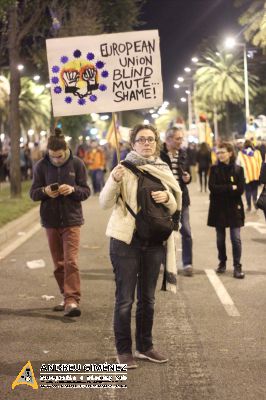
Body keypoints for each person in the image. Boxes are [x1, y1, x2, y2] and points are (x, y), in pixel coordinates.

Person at [99, 124, 182, 368]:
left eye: (150, 139)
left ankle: (145, 346)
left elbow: (176, 205)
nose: (146, 143)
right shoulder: (122, 168)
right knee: (125, 300)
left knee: (148, 299)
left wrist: (168, 198)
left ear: (156, 143)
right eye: (141, 139)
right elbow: (104, 203)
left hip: (154, 241)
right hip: (125, 242)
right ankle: (124, 351)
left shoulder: (163, 169)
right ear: (132, 144)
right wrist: (114, 180)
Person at [30, 128, 90, 317]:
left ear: (66, 150)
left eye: (59, 156)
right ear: (48, 152)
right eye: (53, 156)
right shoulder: (40, 166)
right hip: (50, 220)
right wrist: (45, 192)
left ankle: (72, 300)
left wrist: (72, 190)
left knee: (71, 260)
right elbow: (33, 193)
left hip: (72, 220)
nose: (56, 160)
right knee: (59, 264)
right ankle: (66, 296)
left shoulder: (77, 164)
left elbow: (86, 191)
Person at [207, 142, 245, 279]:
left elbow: (240, 189)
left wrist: (224, 188)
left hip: (234, 208)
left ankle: (237, 266)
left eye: (223, 152)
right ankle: (222, 262)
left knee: (236, 238)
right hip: (218, 209)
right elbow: (212, 188)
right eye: (218, 152)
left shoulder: (238, 169)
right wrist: (230, 188)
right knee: (220, 239)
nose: (220, 155)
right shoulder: (214, 169)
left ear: (230, 153)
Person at [160, 127, 193, 277]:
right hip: (164, 200)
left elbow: (187, 175)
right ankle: (167, 265)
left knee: (186, 231)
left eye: (181, 138)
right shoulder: (159, 155)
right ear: (168, 139)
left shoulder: (184, 154)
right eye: (178, 139)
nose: (181, 141)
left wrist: (188, 178)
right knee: (164, 233)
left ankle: (187, 263)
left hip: (182, 199)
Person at [236, 139, 262, 211]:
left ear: (244, 146)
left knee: (248, 191)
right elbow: (260, 163)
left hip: (246, 175)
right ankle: (255, 202)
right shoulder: (257, 152)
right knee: (254, 190)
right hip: (255, 175)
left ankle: (249, 206)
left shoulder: (241, 153)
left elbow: (238, 164)